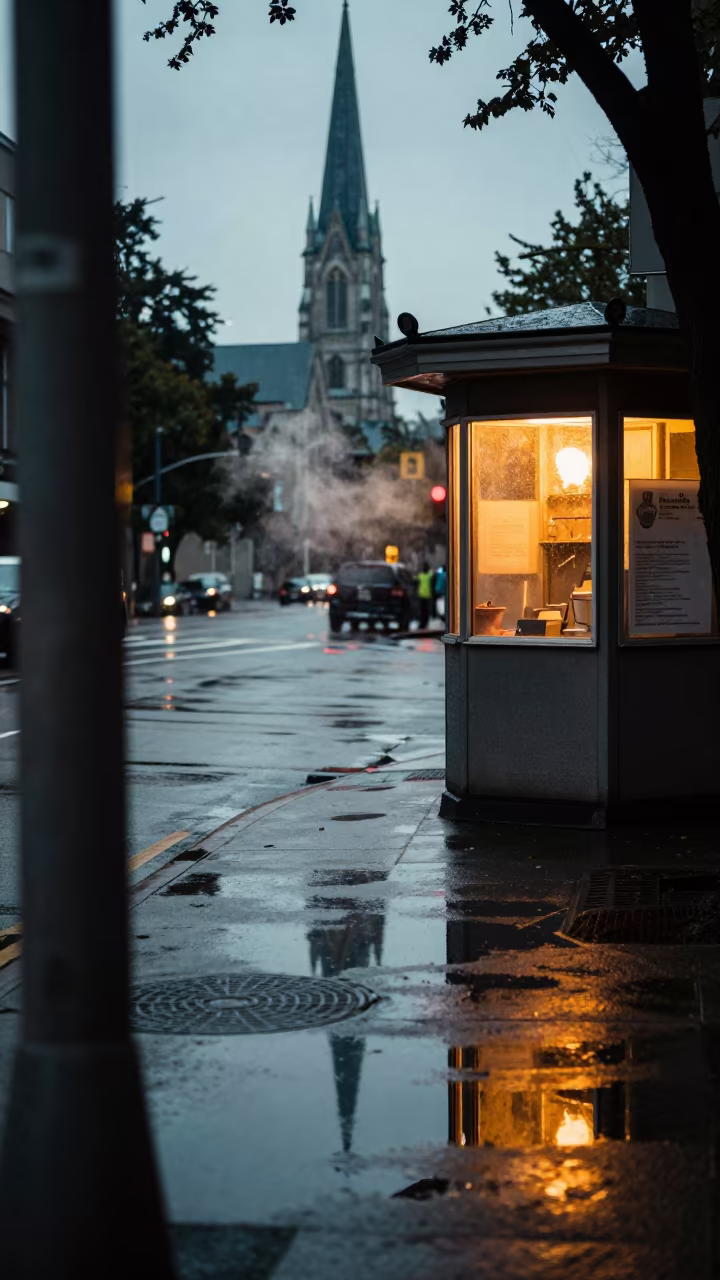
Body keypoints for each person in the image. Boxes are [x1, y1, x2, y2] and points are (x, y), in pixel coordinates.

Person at [415, 561, 434, 629]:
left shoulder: (421, 575)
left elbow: (416, 583)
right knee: (425, 611)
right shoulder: (430, 575)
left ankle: (422, 623)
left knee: (423, 611)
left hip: (422, 595)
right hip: (427, 595)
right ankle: (424, 623)